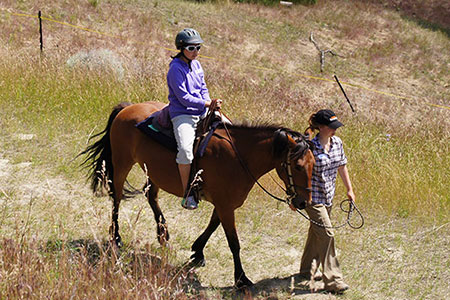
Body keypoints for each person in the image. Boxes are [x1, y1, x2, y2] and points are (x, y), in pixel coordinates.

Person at [299, 109, 355, 293]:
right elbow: (299, 173)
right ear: (321, 127)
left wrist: (349, 189)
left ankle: (306, 271)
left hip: (328, 196)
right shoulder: (310, 147)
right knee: (327, 234)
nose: (335, 130)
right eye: (331, 127)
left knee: (317, 233)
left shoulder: (337, 143)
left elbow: (342, 165)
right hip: (313, 198)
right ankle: (333, 280)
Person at [167, 28, 222, 210]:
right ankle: (187, 193)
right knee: (184, 150)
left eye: (198, 47)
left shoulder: (197, 65)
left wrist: (210, 102)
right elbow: (183, 98)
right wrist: (207, 104)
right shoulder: (175, 69)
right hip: (183, 114)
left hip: (201, 110)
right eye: (191, 48)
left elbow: (203, 88)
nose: (196, 51)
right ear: (181, 48)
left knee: (229, 130)